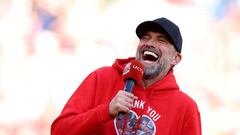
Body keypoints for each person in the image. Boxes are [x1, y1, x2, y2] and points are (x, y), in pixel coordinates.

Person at [51, 17, 202, 135]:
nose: (150, 43)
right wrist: (105, 112)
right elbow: (59, 131)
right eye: (145, 37)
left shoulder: (185, 108)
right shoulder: (102, 78)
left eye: (161, 40)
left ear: (176, 58)